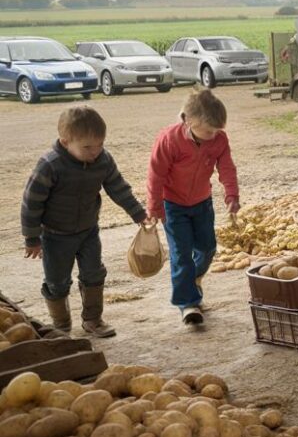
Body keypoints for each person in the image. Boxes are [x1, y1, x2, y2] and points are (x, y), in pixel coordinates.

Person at [21, 106, 149, 338]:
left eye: (100, 144)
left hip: (88, 231)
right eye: (88, 147)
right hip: (55, 235)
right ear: (65, 141)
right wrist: (31, 238)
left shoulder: (103, 160)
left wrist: (138, 213)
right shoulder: (49, 166)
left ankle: (93, 319)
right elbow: (31, 203)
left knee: (94, 274)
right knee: (57, 282)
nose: (95, 151)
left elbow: (118, 187)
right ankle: (60, 325)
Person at [147, 90, 238, 326]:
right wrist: (154, 207)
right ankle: (187, 304)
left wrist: (232, 194)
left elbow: (226, 167)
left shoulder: (219, 139)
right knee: (181, 254)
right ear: (188, 120)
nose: (213, 135)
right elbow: (156, 175)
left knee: (208, 248)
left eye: (217, 130)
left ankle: (193, 279)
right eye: (208, 131)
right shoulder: (169, 139)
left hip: (202, 202)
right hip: (173, 206)